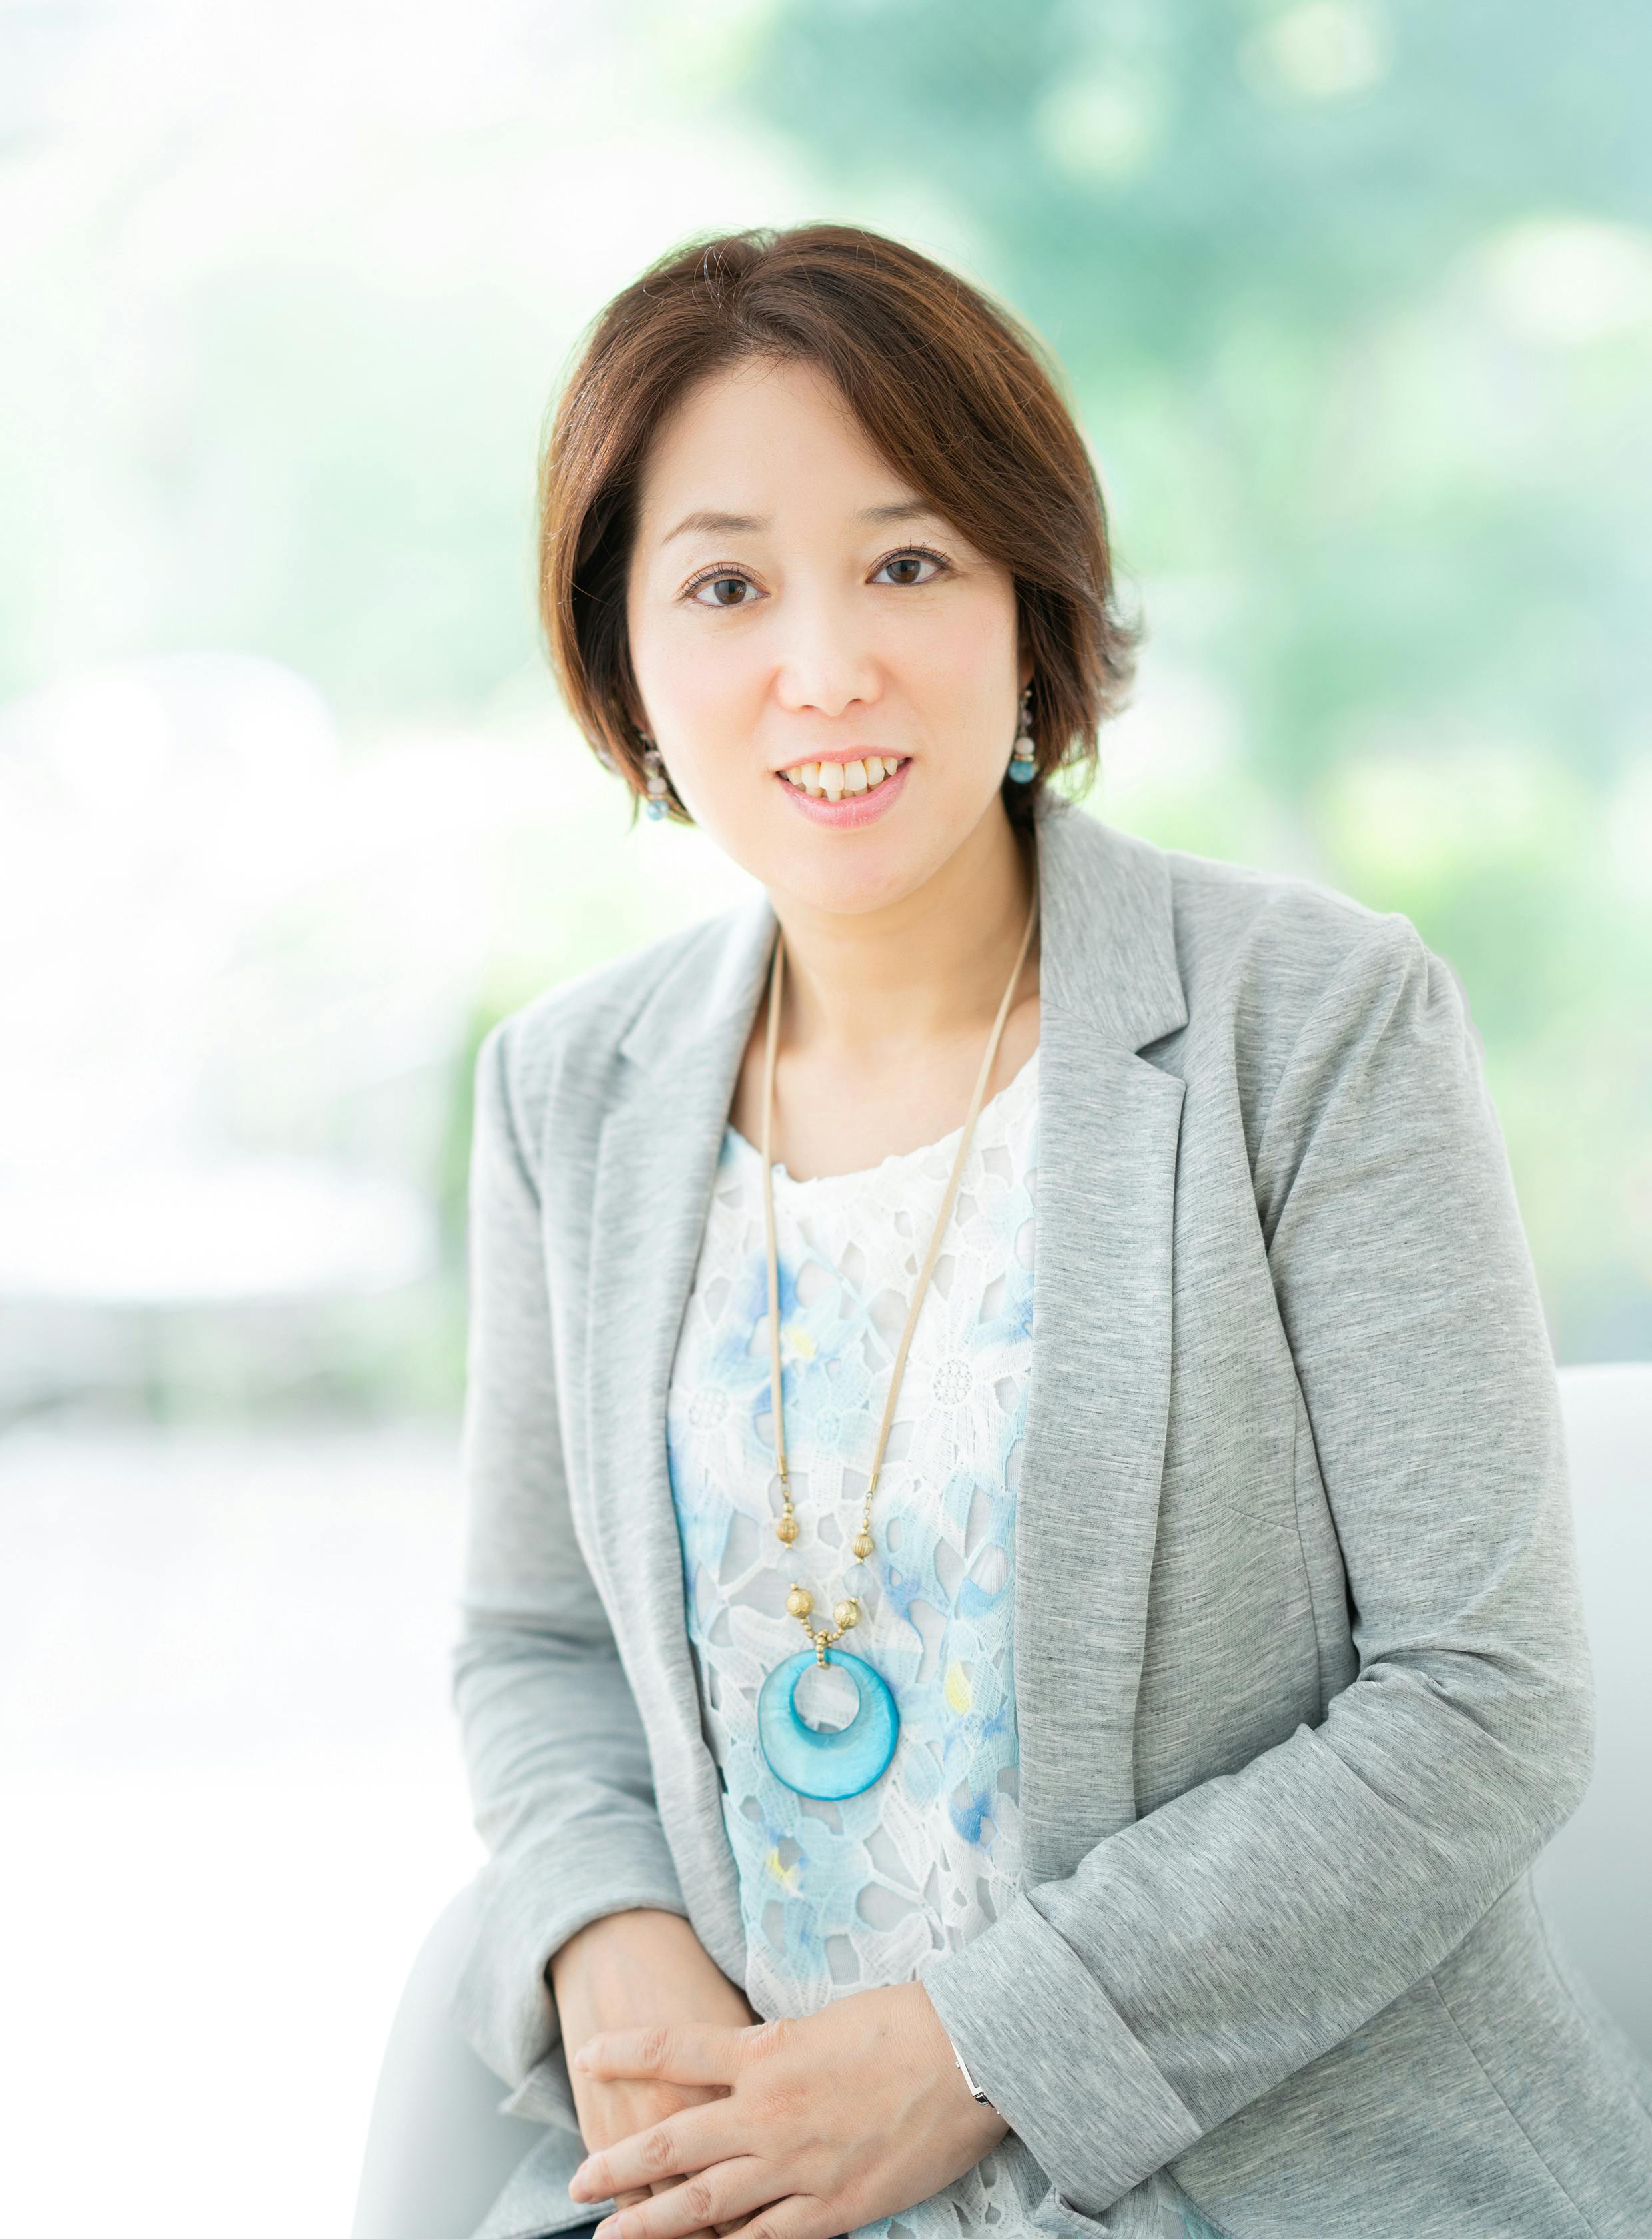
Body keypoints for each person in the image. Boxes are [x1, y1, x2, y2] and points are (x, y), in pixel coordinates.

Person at [443, 224, 1652, 2239]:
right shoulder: (568, 1093)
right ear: (624, 659)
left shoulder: (1311, 1023)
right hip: (758, 2181)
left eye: (908, 562)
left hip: (1271, 2181)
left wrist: (971, 2053)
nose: (825, 665)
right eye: (727, 585)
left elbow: (1481, 1702)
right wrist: (599, 1920)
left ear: (1032, 601)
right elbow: (535, 1644)